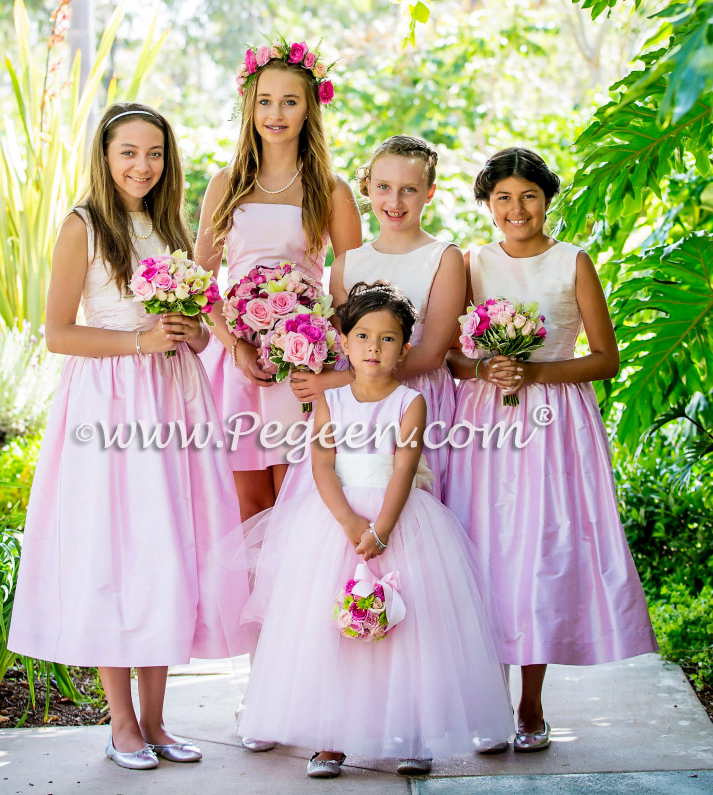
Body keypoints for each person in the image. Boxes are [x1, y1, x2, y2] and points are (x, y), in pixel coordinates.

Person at [7, 102, 253, 771]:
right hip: (112, 406)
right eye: (128, 153)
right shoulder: (81, 226)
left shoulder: (170, 225)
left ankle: (156, 720)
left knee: (168, 549)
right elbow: (58, 332)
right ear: (105, 156)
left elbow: (197, 328)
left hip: (174, 399)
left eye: (154, 153)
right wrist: (140, 339)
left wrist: (188, 333)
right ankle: (121, 723)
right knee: (120, 550)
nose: (142, 165)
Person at [234, 281, 513, 778]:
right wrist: (348, 522)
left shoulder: (410, 402)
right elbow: (322, 467)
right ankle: (331, 737)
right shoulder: (331, 400)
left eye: (387, 339)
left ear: (403, 349)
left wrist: (381, 530)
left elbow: (404, 470)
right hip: (335, 522)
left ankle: (411, 733)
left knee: (407, 630)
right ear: (343, 342)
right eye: (362, 336)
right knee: (328, 628)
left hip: (398, 520)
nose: (373, 348)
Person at [445, 147, 657, 753]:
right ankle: (487, 700)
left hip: (554, 420)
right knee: (482, 547)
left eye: (529, 196)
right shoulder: (472, 261)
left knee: (538, 550)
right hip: (485, 423)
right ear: (487, 204)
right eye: (504, 197)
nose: (517, 209)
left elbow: (606, 358)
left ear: (547, 200)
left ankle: (531, 703)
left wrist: (534, 373)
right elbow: (453, 355)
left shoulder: (573, 263)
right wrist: (484, 368)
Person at [195, 38, 361, 524]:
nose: (276, 113)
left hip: (301, 366)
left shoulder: (331, 190)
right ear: (249, 107)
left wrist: (324, 358)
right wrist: (236, 347)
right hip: (236, 363)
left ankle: (289, 601)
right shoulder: (225, 184)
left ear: (309, 109)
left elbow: (348, 294)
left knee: (294, 497)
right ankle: (249, 604)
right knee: (246, 503)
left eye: (290, 102)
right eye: (265, 101)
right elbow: (202, 285)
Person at [328, 134, 464, 500]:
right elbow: (345, 345)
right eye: (384, 187)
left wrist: (338, 381)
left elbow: (434, 352)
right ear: (367, 187)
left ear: (429, 193)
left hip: (418, 395)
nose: (394, 200)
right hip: (356, 400)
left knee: (413, 506)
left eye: (409, 190)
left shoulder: (444, 258)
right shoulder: (347, 265)